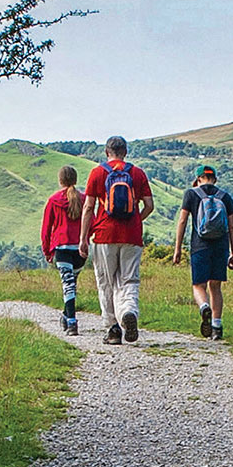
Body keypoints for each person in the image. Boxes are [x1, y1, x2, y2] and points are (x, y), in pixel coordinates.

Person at [80, 136, 154, 344]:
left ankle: (112, 328)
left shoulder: (97, 173)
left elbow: (88, 208)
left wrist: (84, 238)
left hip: (104, 234)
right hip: (132, 236)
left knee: (106, 282)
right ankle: (128, 311)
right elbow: (149, 205)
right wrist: (136, 220)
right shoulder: (137, 173)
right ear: (125, 152)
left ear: (107, 152)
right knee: (129, 279)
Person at [172, 165, 233, 340]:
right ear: (214, 179)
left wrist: (177, 248)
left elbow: (182, 221)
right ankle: (216, 326)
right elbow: (232, 227)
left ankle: (204, 307)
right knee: (215, 286)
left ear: (198, 179)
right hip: (221, 247)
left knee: (198, 285)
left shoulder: (191, 194)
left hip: (199, 246)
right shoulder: (225, 197)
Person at [41, 165, 86, 336]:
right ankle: (66, 316)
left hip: (62, 247)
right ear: (75, 179)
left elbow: (46, 228)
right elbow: (92, 221)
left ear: (60, 180)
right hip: (80, 249)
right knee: (71, 284)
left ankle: (72, 322)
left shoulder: (53, 200)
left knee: (68, 286)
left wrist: (46, 250)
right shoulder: (84, 199)